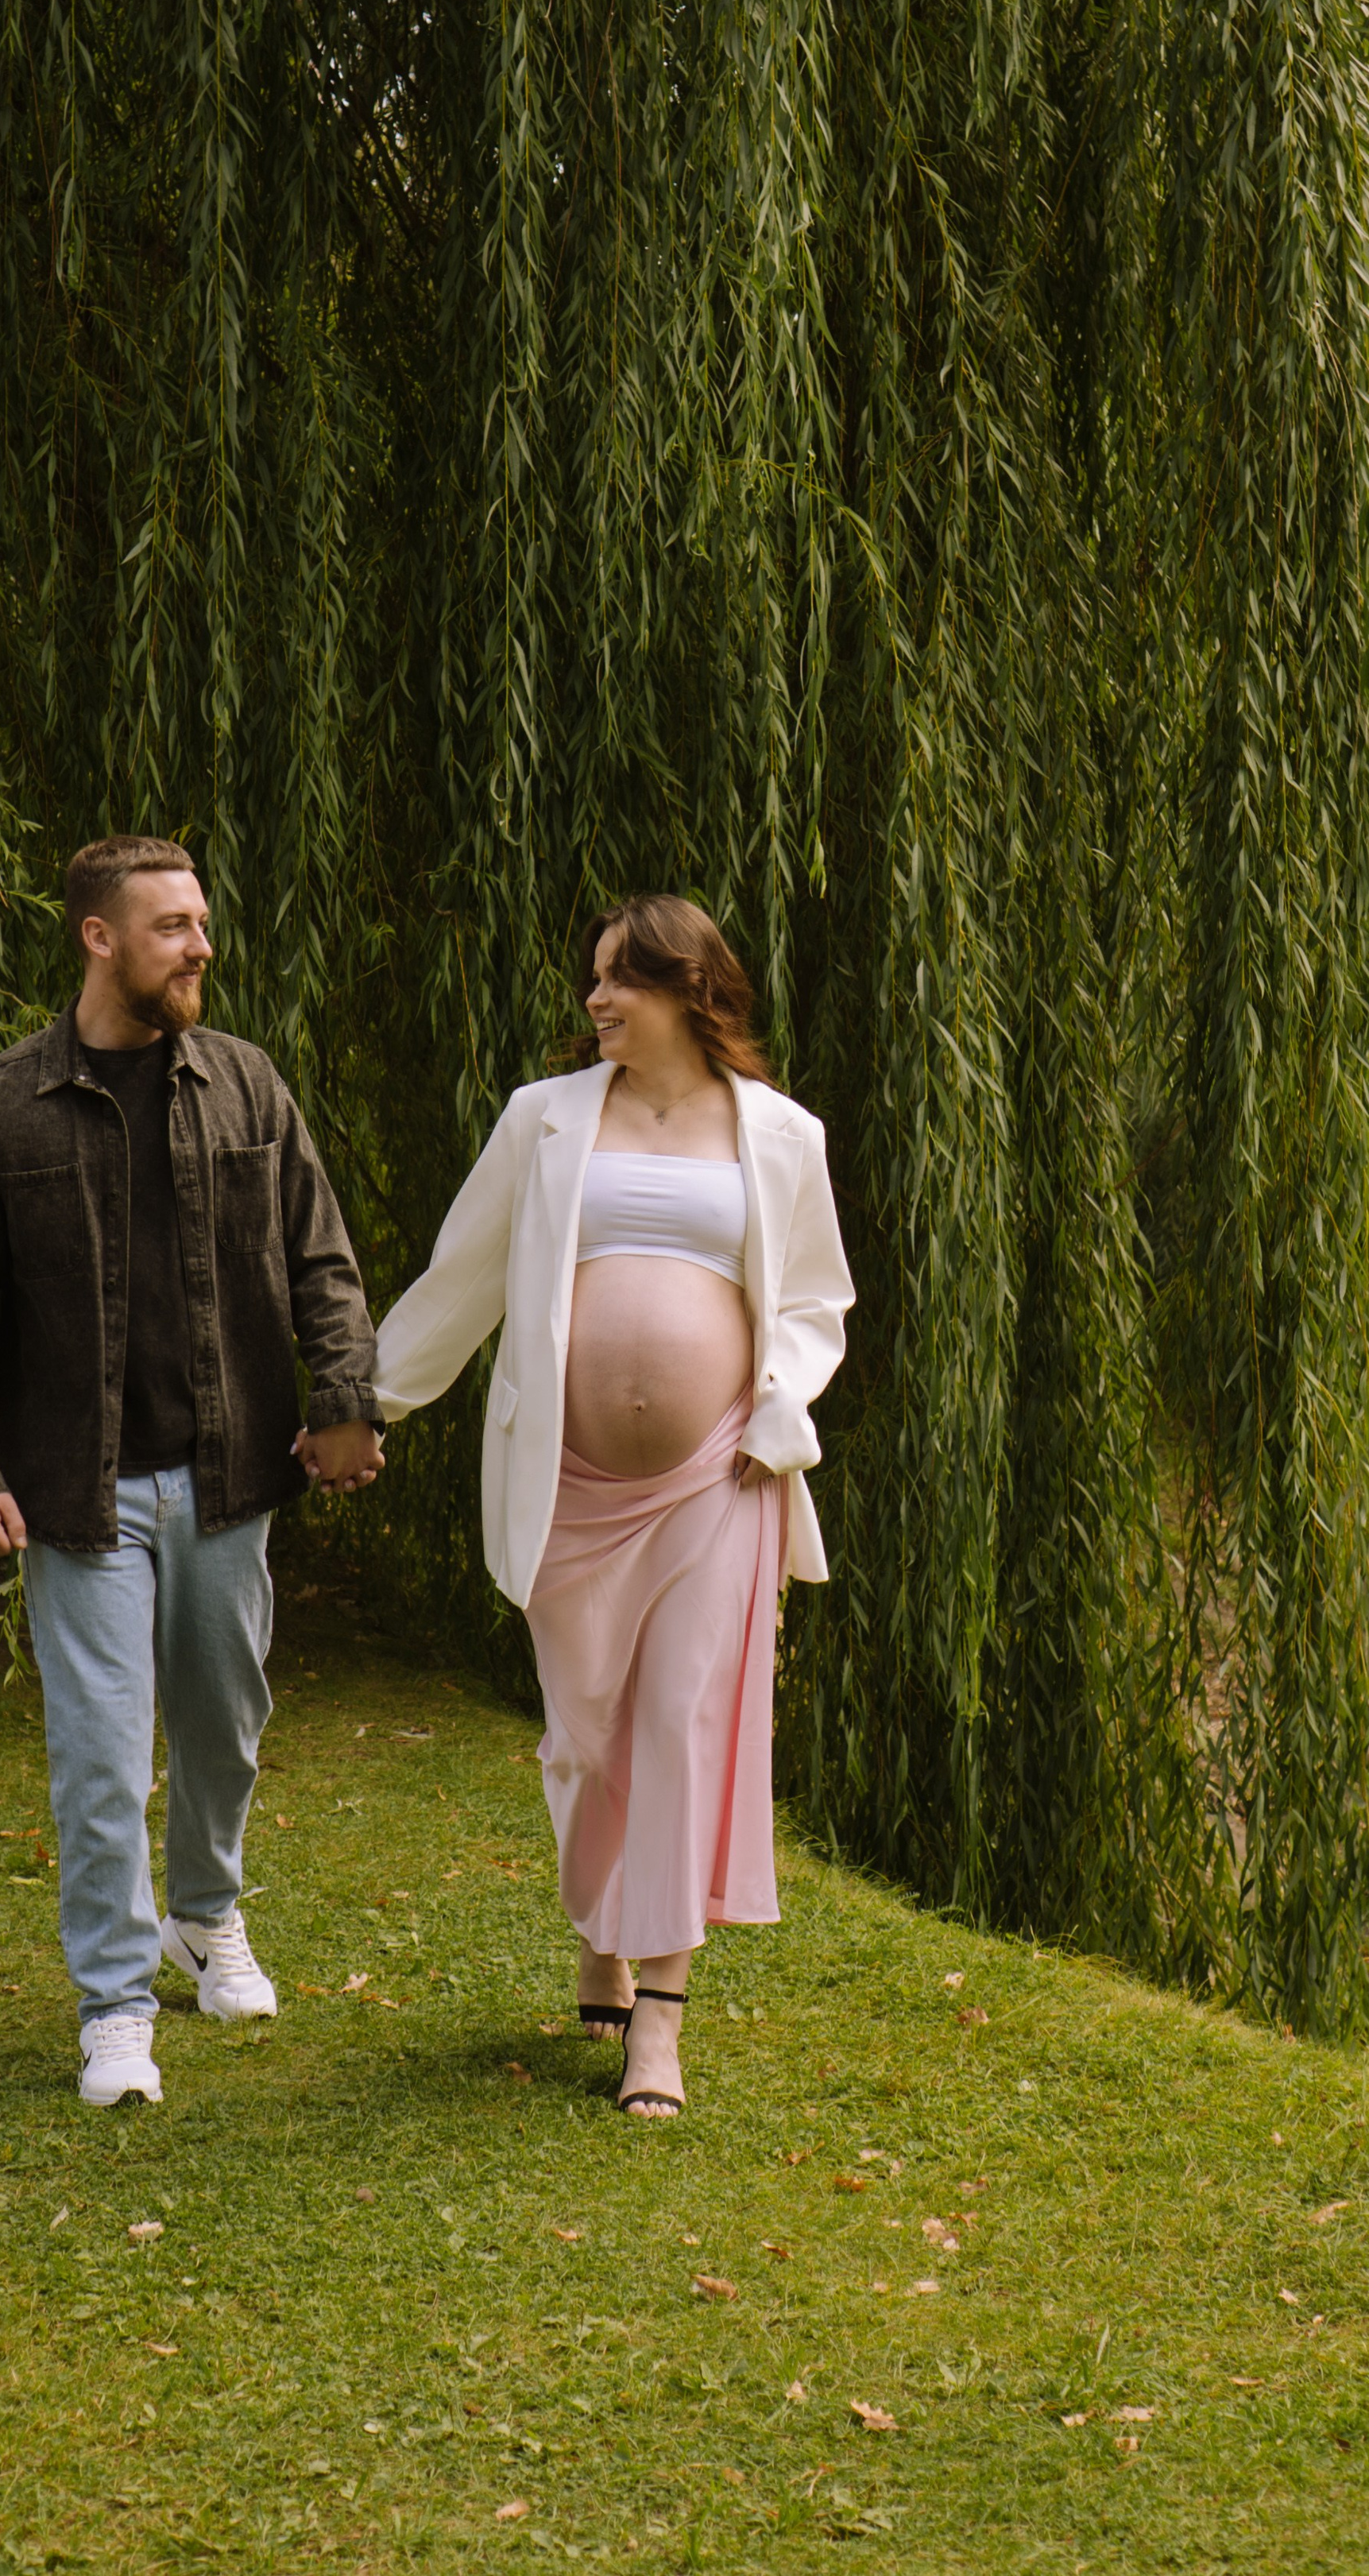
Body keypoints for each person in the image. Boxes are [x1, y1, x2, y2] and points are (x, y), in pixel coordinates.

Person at [0, 836, 386, 2107]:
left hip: (230, 1476)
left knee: (224, 1732)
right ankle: (117, 2005)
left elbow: (322, 1262)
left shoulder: (245, 1084)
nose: (201, 946)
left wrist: (345, 1401)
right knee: (102, 1758)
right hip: (79, 1493)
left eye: (201, 921)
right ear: (99, 937)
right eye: (173, 926)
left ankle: (204, 1912)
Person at [373, 895, 853, 2116]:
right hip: (572, 1484)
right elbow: (464, 1276)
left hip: (718, 1478)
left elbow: (813, 1303)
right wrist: (367, 1402)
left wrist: (782, 1403)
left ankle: (661, 2024)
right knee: (585, 1741)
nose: (595, 1000)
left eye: (619, 981)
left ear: (691, 990)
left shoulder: (780, 1133)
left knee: (683, 1722)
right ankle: (601, 1927)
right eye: (593, 979)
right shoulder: (542, 1119)